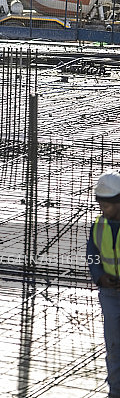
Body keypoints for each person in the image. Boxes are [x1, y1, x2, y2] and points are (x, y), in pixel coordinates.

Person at [87, 169, 120, 398]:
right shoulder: (99, 225)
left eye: (106, 205)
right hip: (110, 295)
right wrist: (99, 276)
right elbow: (92, 255)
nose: (102, 209)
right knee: (114, 349)